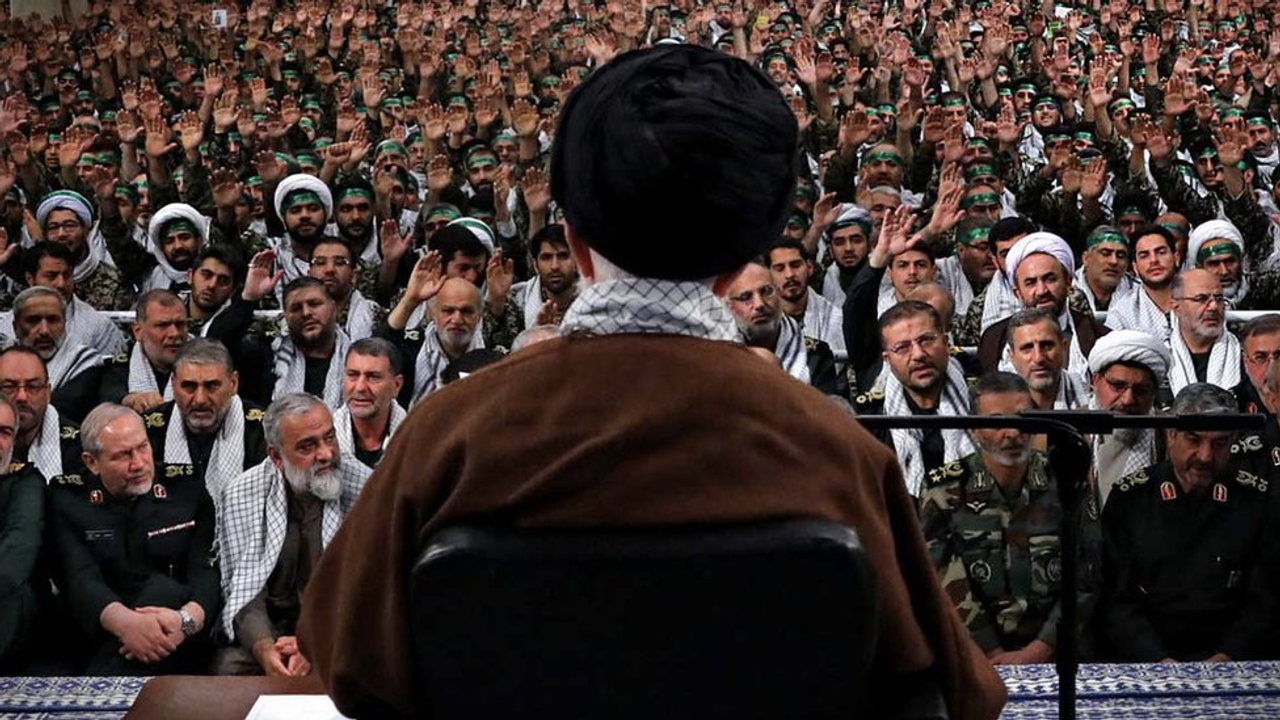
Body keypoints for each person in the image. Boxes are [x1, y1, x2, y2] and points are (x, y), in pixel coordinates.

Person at [298, 45, 1005, 720]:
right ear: (738, 265)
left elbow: (349, 658)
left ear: (573, 244)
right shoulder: (833, 450)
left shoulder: (444, 436)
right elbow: (957, 691)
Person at [1100, 384, 1279, 662]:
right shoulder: (1131, 499)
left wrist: (1226, 657)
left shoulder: (1255, 500)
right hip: (1148, 660)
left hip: (1232, 660)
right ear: (1171, 436)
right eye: (1194, 440)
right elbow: (1116, 602)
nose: (1205, 456)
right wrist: (1159, 660)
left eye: (1219, 443)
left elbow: (1264, 600)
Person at [921, 373, 1091, 665]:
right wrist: (992, 652)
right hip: (971, 655)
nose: (1012, 432)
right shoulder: (943, 491)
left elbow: (1088, 572)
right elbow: (941, 580)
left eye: (1022, 419)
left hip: (1055, 654)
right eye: (997, 421)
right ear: (975, 431)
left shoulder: (1065, 480)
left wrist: (1039, 649)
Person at [47, 403, 218, 674]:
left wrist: (185, 621)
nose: (138, 464)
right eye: (123, 455)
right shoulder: (68, 500)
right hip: (103, 632)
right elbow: (78, 577)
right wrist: (127, 625)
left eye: (143, 448)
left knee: (167, 589)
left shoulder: (186, 490)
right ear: (92, 462)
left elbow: (206, 572)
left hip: (178, 633)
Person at [215, 394, 370, 676]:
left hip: (340, 629)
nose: (326, 453)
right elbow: (244, 593)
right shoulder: (241, 495)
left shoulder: (365, 487)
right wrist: (265, 650)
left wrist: (315, 642)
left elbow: (369, 590)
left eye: (330, 437)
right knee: (228, 667)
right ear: (276, 456)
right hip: (273, 632)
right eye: (308, 446)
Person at [141, 339, 268, 507]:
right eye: (189, 386)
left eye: (212, 386)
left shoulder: (264, 429)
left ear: (233, 383)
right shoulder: (146, 430)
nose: (200, 399)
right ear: (173, 384)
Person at [978, 231, 1109, 378]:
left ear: (1068, 282)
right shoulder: (994, 339)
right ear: (1017, 292)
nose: (1041, 291)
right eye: (1031, 282)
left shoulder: (1102, 338)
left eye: (1050, 279)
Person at [726, 262, 840, 395]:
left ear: (778, 295)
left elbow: (824, 413)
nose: (759, 304)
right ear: (730, 307)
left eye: (766, 292)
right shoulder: (718, 360)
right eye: (746, 297)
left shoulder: (815, 356)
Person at [1087, 331, 1173, 507]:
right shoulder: (1072, 430)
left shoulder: (1170, 433)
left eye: (1140, 390)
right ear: (1095, 381)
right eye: (1118, 386)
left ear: (1154, 393)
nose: (1128, 400)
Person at [0, 242, 126, 356]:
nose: (61, 283)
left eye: (67, 275)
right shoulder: (4, 329)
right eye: (51, 276)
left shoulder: (99, 327)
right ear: (30, 279)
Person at [382, 273, 486, 406]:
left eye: (466, 311)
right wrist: (410, 300)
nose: (457, 320)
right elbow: (378, 350)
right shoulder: (410, 348)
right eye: (448, 311)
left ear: (479, 316)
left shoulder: (492, 359)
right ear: (434, 314)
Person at [11, 287, 104, 423]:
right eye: (33, 321)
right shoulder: (4, 360)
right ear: (15, 327)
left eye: (53, 320)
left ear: (65, 324)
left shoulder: (86, 363)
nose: (44, 331)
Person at [0, 395, 44, 667]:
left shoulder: (24, 482)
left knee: (16, 591)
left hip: (6, 601)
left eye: (4, 433)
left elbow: (19, 547)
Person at [98, 290, 189, 412]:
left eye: (180, 324)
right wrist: (127, 400)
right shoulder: (116, 370)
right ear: (138, 332)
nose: (175, 333)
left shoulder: (205, 364)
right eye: (163, 325)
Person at [766, 239, 847, 365]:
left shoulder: (837, 320)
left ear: (809, 268)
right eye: (780, 268)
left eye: (796, 265)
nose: (789, 275)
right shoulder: (762, 321)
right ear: (767, 275)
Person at [333, 338, 405, 470]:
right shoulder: (328, 443)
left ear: (396, 385)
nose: (360, 387)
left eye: (373, 377)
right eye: (353, 375)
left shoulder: (416, 442)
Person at [1167, 269, 1240, 395]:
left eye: (1219, 298)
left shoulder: (1245, 356)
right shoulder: (1161, 360)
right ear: (1176, 308)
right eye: (1201, 298)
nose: (1214, 307)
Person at [1106, 225, 1181, 344]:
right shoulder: (1122, 314)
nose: (1153, 260)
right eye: (1144, 255)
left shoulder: (1201, 298)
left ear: (1176, 258)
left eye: (1161, 252)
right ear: (1135, 267)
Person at [1004, 309, 1089, 410]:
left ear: (1064, 348)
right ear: (1011, 356)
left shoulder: (1090, 400)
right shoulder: (998, 405)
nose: (1038, 358)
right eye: (1027, 348)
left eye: (1047, 346)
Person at [1237, 314, 1280, 415]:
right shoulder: (1234, 406)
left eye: (1279, 356)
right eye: (1260, 358)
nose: (1271, 368)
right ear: (1245, 362)